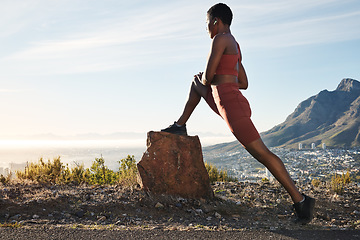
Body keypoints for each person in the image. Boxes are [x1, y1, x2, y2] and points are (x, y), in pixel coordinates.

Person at [161, 3, 315, 224]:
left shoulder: (220, 39)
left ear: (215, 22)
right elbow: (243, 82)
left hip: (231, 106)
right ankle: (180, 125)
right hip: (225, 101)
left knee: (263, 154)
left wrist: (208, 77)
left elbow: (207, 77)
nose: (207, 31)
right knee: (195, 85)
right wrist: (219, 80)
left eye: (207, 25)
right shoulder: (235, 45)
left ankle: (301, 202)